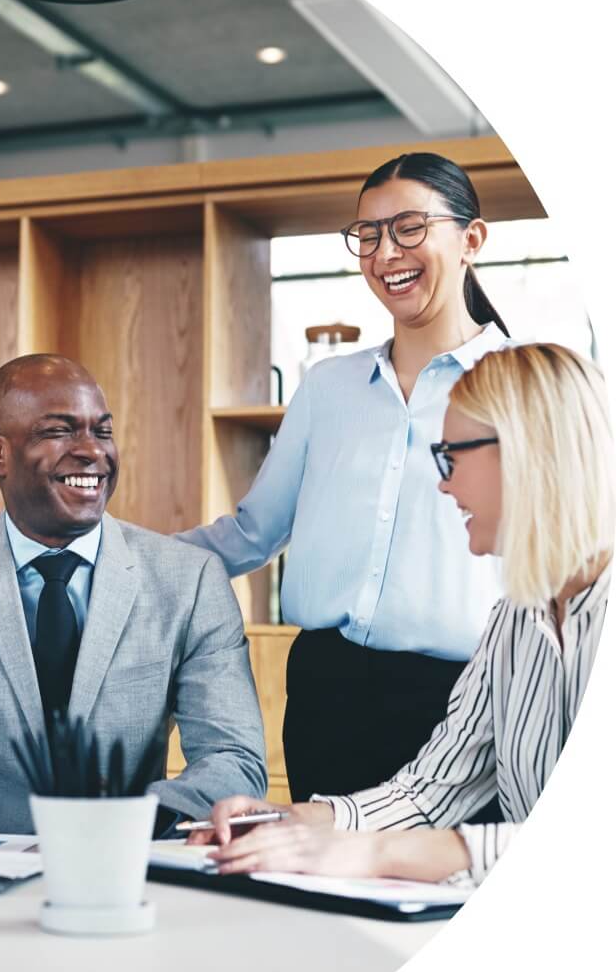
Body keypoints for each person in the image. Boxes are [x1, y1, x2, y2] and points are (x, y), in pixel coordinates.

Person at [190, 343, 612, 885]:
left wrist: (374, 856)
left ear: (526, 451)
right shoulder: (514, 620)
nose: (443, 483)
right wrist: (295, 820)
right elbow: (429, 790)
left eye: (452, 457)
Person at [180, 151, 514, 804]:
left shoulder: (523, 382)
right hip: (326, 693)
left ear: (471, 239)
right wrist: (124, 561)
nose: (387, 252)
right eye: (369, 233)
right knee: (319, 881)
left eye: (410, 227)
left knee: (446, 889)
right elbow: (253, 532)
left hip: (467, 697)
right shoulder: (328, 389)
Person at [0, 354, 267, 834]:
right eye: (59, 432)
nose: (92, 452)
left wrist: (125, 823)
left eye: (102, 432)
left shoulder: (191, 580)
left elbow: (234, 759)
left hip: (127, 866)